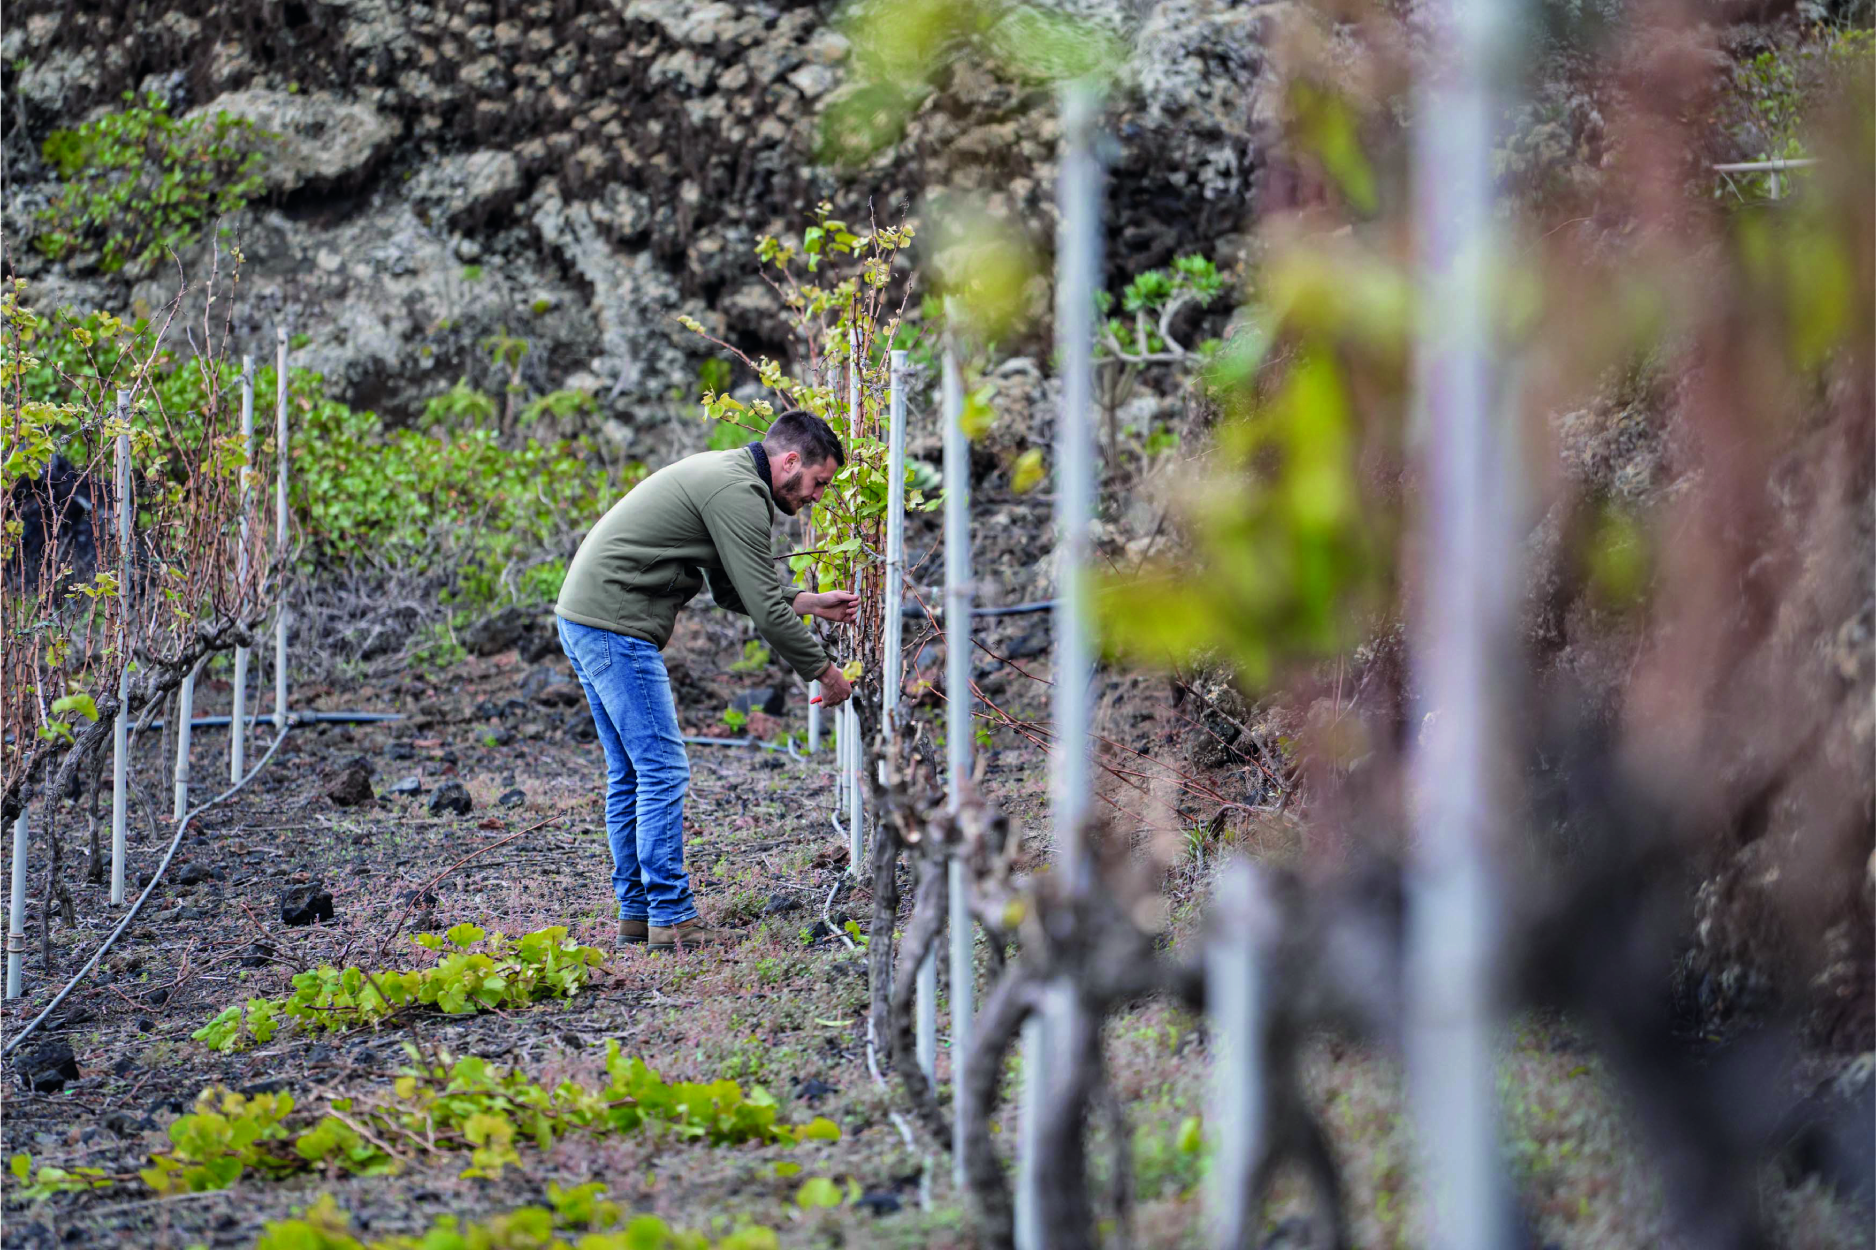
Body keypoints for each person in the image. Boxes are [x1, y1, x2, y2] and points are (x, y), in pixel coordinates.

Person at [555, 411, 857, 952]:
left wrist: (806, 602)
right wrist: (825, 672)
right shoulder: (738, 491)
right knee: (662, 769)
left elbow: (733, 589)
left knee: (631, 773)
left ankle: (639, 913)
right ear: (790, 462)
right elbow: (763, 608)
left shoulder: (730, 478)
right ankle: (671, 920)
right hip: (614, 624)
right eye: (818, 482)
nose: (816, 496)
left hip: (587, 614)